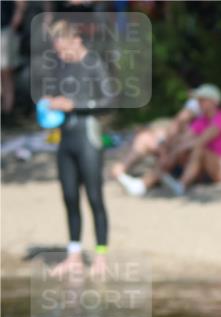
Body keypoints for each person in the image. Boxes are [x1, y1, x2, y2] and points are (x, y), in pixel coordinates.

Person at [41, 19, 113, 278]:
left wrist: (75, 105)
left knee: (94, 197)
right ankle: (74, 256)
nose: (61, 55)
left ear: (76, 40)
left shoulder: (93, 63)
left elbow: (109, 100)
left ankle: (101, 256)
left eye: (64, 49)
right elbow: (57, 96)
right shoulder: (61, 65)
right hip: (66, 138)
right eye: (57, 51)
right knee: (70, 197)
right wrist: (50, 102)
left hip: (88, 138)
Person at [134, 84, 221, 197]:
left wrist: (175, 149)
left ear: (214, 102)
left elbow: (200, 141)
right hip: (213, 167)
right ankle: (144, 184)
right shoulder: (202, 120)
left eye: (203, 99)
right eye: (198, 100)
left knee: (198, 148)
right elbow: (184, 139)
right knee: (179, 150)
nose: (199, 103)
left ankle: (181, 184)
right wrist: (168, 147)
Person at [114, 96, 199, 196]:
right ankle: (120, 171)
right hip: (174, 153)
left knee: (171, 154)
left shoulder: (201, 123)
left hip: (186, 161)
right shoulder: (179, 124)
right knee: (144, 138)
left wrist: (167, 148)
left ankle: (142, 185)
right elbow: (168, 134)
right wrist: (163, 146)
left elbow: (191, 142)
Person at [1, 0, 26, 116]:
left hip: (5, 30)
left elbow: (21, 4)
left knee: (6, 73)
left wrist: (13, 26)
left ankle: (7, 110)